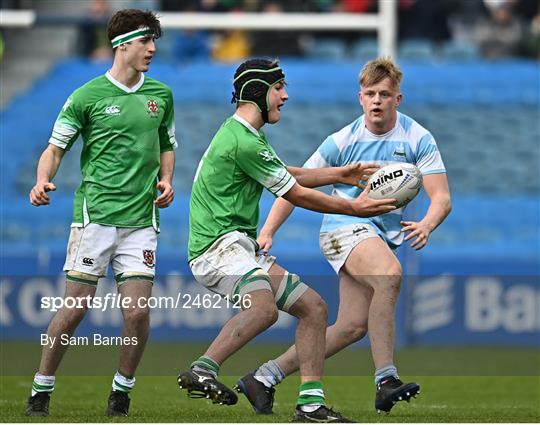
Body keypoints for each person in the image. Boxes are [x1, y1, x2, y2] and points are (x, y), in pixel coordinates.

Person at [177, 58, 396, 423]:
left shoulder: (244, 137)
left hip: (237, 247)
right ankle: (203, 368)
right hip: (217, 248)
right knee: (263, 308)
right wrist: (355, 209)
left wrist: (338, 173)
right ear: (259, 92)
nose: (285, 95)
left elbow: (285, 172)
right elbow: (295, 192)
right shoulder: (243, 140)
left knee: (314, 308)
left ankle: (310, 405)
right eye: (279, 88)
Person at [237, 57, 451, 415]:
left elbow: (441, 197)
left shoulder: (417, 136)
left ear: (398, 99)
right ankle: (386, 380)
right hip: (342, 227)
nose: (377, 100)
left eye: (385, 94)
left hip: (375, 235)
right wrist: (269, 230)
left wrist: (428, 223)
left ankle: (263, 377)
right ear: (360, 98)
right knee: (390, 274)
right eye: (371, 93)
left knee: (352, 327)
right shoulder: (343, 140)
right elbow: (293, 184)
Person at [26, 9, 177, 417]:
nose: (152, 49)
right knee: (74, 310)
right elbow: (55, 148)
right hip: (96, 218)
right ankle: (41, 387)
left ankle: (121, 390)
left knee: (138, 311)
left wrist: (166, 179)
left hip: (142, 221)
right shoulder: (86, 96)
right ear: (122, 44)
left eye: (154, 41)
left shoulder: (160, 95)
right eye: (145, 41)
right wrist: (42, 181)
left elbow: (167, 144)